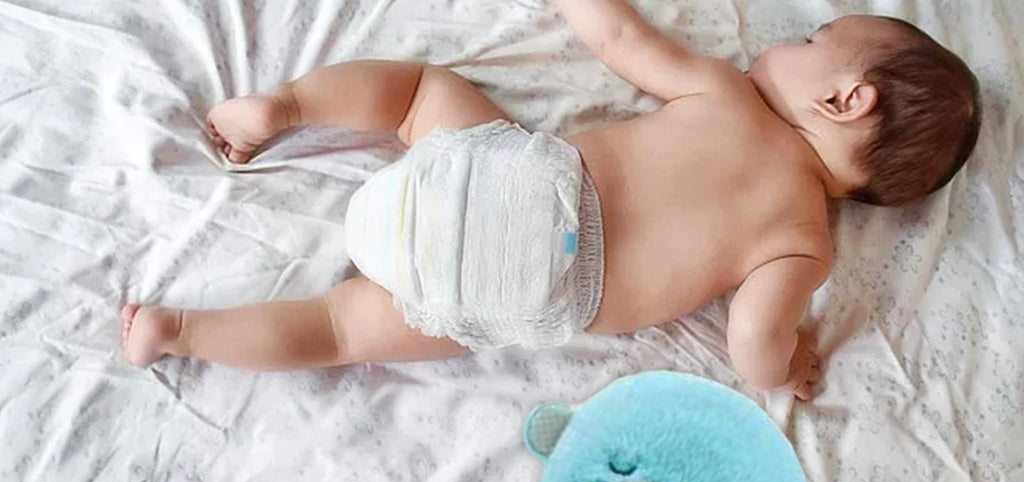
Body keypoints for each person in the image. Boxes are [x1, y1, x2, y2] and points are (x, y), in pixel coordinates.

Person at [120, 3, 980, 400]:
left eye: (811, 39)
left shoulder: (730, 97)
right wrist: (787, 368)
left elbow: (618, 35)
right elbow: (754, 342)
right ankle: (177, 332)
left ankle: (282, 108)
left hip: (515, 181)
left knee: (419, 94)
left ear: (845, 99)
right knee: (341, 331)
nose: (787, 42)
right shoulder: (802, 242)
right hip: (523, 291)